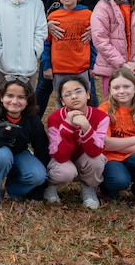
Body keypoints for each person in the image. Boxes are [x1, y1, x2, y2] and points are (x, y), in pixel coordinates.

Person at [31, 0, 108, 112]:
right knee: (42, 90)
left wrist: (96, 27)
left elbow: (107, 5)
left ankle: (95, 126)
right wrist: (45, 25)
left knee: (88, 93)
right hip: (55, 47)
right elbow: (34, 6)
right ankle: (32, 126)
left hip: (81, 48)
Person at [0, 78, 49, 210]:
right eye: (10, 96)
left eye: (21, 97)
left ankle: (13, 191)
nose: (14, 101)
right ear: (1, 97)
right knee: (3, 155)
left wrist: (38, 192)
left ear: (28, 101)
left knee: (38, 175)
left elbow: (42, 150)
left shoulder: (32, 119)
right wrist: (2, 135)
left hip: (18, 154)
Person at [98, 67, 135, 211]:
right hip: (111, 158)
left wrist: (116, 145)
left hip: (134, 157)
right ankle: (106, 190)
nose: (121, 91)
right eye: (116, 87)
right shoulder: (104, 109)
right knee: (119, 181)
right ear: (110, 89)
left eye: (126, 86)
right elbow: (105, 144)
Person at [44, 75, 108, 209]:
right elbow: (59, 156)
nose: (74, 96)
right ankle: (50, 186)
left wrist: (86, 127)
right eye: (68, 94)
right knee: (65, 171)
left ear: (88, 95)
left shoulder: (101, 117)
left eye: (78, 91)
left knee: (97, 160)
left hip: (85, 158)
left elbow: (96, 151)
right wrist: (67, 125)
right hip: (62, 160)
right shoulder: (54, 118)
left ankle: (89, 188)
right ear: (62, 101)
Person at [39, 0, 96, 110]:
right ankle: (64, 123)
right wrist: (46, 65)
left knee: (83, 100)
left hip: (81, 68)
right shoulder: (53, 17)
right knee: (63, 101)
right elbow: (46, 44)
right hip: (60, 68)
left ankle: (84, 123)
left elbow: (93, 43)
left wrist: (93, 64)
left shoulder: (88, 15)